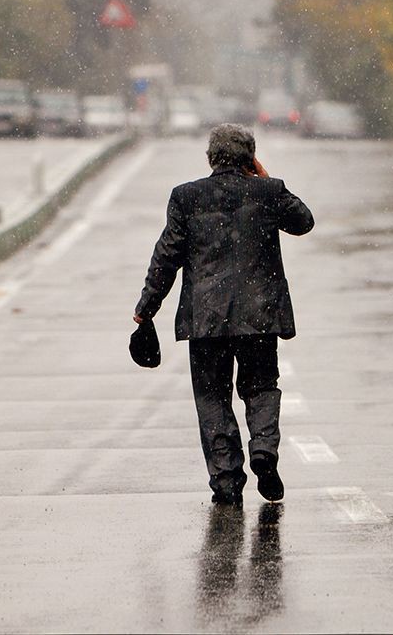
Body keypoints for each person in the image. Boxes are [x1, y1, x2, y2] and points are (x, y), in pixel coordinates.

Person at [134, 124, 314, 506]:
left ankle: (228, 480)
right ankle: (263, 449)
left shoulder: (186, 197)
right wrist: (266, 180)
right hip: (259, 316)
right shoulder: (268, 192)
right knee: (262, 386)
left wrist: (146, 308)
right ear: (250, 158)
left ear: (210, 158)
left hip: (207, 320)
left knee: (213, 398)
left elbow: (167, 255)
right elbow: (303, 222)